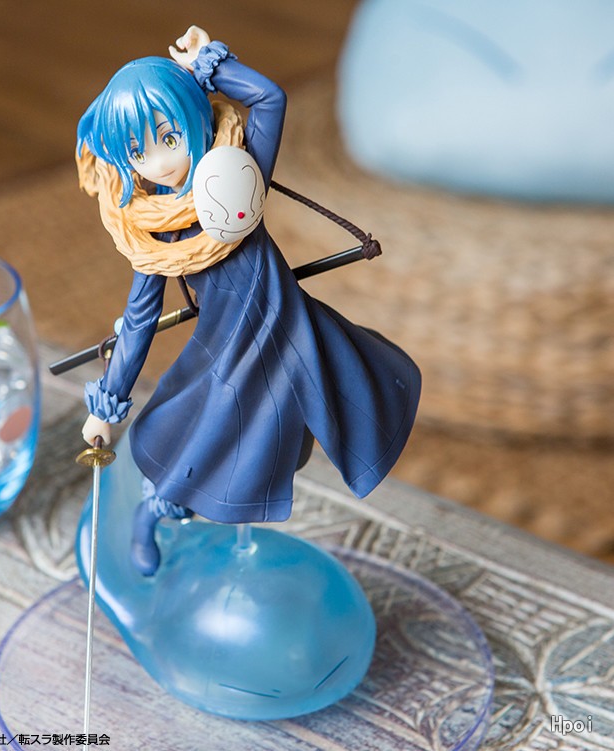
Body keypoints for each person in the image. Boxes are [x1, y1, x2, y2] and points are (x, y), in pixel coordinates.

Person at [77, 26, 420, 575]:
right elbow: (140, 320)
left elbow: (269, 99)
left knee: (343, 406)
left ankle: (214, 523)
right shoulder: (152, 235)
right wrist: (106, 404)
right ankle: (154, 514)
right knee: (199, 448)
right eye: (139, 152)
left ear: (194, 119)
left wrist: (208, 66)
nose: (160, 162)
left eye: (169, 137)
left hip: (293, 331)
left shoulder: (236, 169)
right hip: (229, 352)